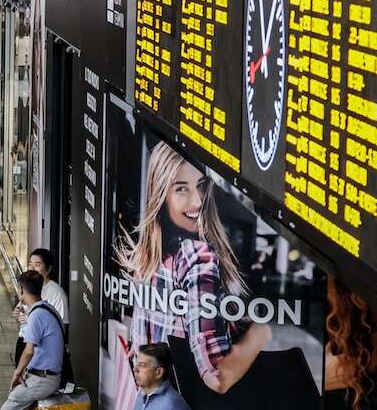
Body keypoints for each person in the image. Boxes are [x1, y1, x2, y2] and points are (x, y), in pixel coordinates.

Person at [115, 141, 270, 396]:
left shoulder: (146, 262)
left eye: (200, 186)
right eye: (181, 189)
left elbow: (139, 352)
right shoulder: (196, 254)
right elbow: (217, 377)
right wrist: (260, 333)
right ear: (160, 194)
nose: (197, 201)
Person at [2, 271, 65, 410]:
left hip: (43, 380)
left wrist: (17, 372)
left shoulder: (37, 314)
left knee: (11, 403)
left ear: (22, 290)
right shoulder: (47, 308)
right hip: (41, 376)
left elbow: (29, 351)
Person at [133, 343, 192, 410]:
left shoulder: (171, 405)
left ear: (159, 372)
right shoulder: (142, 395)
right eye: (136, 364)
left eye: (142, 365)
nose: (135, 369)